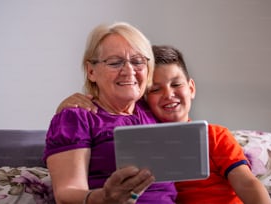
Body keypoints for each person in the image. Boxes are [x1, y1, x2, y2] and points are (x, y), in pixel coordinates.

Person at [56, 45, 271, 204]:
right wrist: (68, 107)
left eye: (176, 84)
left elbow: (247, 183)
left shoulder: (214, 135)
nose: (169, 95)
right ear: (143, 99)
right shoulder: (140, 139)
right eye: (155, 89)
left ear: (191, 88)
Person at [43, 22, 177, 204]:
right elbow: (66, 193)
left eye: (138, 62)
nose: (129, 71)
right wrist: (104, 198)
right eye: (115, 63)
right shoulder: (76, 117)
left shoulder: (153, 109)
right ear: (91, 71)